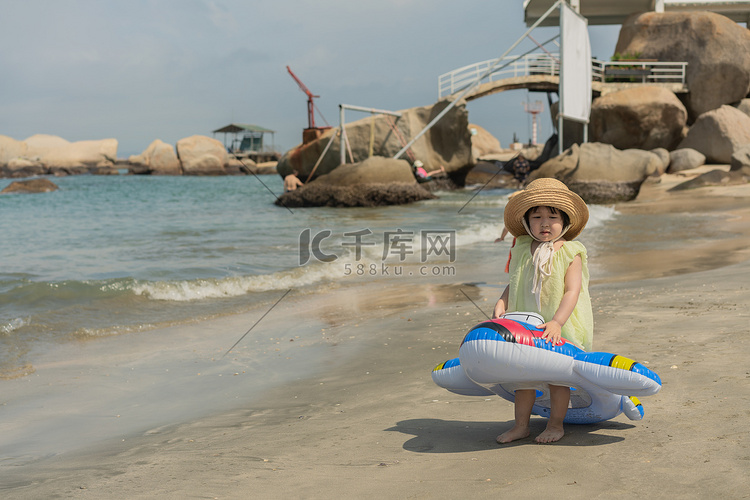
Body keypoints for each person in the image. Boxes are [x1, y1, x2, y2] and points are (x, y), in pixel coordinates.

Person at [492, 178, 593, 444]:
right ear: (526, 221)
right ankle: (521, 426)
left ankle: (556, 425)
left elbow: (572, 291)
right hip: (525, 324)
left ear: (566, 220)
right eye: (536, 216)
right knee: (523, 377)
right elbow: (515, 282)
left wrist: (558, 321)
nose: (545, 223)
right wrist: (502, 302)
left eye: (552, 216)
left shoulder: (571, 251)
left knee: (557, 378)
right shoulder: (523, 248)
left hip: (557, 325)